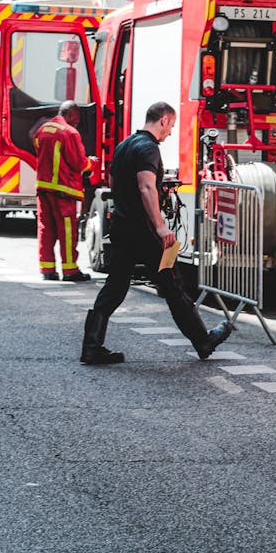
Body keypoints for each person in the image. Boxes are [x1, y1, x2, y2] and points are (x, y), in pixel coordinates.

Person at [80, 101, 233, 365]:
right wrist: (160, 226)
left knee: (115, 287)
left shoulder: (124, 145)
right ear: (163, 120)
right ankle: (203, 341)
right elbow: (146, 187)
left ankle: (91, 346)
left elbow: (116, 184)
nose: (170, 132)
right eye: (171, 126)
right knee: (172, 285)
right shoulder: (149, 148)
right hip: (145, 232)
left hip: (122, 227)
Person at [34, 99, 98, 282]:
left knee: (46, 229)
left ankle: (47, 269)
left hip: (44, 188)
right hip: (64, 191)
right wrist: (92, 163)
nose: (76, 123)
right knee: (67, 231)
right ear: (69, 114)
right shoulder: (69, 133)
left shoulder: (43, 129)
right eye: (76, 119)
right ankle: (70, 271)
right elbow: (78, 163)